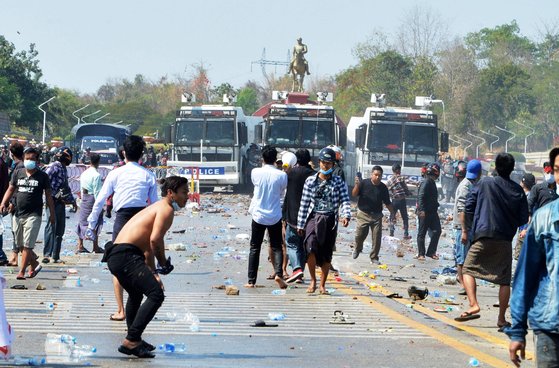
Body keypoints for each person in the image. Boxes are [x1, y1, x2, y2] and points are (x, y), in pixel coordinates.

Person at [105, 176, 187, 359]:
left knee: (136, 293)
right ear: (170, 193)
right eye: (184, 192)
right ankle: (131, 340)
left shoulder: (157, 207)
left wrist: (154, 272)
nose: (187, 196)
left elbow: (148, 247)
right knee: (156, 294)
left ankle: (135, 339)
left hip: (118, 255)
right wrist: (164, 263)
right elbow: (155, 240)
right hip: (125, 255)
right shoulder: (166, 210)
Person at [88, 135, 158, 322]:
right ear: (142, 154)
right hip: (142, 218)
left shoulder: (115, 173)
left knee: (118, 265)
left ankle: (121, 310)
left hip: (123, 219)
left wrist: (92, 222)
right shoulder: (148, 175)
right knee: (143, 261)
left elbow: (101, 199)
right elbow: (155, 205)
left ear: (124, 153)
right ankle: (141, 304)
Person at [456, 153, 529, 329]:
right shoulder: (517, 190)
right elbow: (522, 219)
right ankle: (501, 319)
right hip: (504, 240)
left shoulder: (484, 183)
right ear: (512, 170)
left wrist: (469, 228)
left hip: (482, 236)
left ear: (495, 167)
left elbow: (468, 207)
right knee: (504, 281)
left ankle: (473, 304)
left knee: (467, 269)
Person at [506, 147, 559, 368]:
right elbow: (525, 276)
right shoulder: (545, 218)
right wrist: (517, 330)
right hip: (551, 326)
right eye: (557, 170)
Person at [297, 147, 351, 294]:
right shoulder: (310, 181)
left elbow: (345, 200)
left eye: (328, 163)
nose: (325, 166)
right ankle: (313, 281)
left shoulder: (338, 182)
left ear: (333, 165)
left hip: (330, 219)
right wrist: (301, 224)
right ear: (319, 163)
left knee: (326, 253)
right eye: (323, 163)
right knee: (310, 247)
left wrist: (346, 215)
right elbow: (304, 203)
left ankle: (322, 285)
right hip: (313, 217)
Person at [0, 147, 55, 280]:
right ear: (23, 159)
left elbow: (48, 196)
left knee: (28, 244)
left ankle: (22, 271)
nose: (29, 161)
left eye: (32, 159)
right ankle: (35, 263)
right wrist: (3, 203)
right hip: (18, 213)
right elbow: (11, 189)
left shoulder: (43, 176)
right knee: (19, 244)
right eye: (27, 159)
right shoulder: (18, 173)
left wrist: (52, 214)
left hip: (34, 214)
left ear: (37, 161)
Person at [245, 146, 288, 289]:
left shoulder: (255, 172)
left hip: (258, 215)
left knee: (254, 247)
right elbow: (282, 193)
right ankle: (278, 274)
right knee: (277, 246)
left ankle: (251, 281)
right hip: (275, 214)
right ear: (276, 159)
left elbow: (256, 186)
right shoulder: (282, 175)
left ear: (262, 158)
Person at [282, 149, 315, 283]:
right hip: (309, 217)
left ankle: (296, 269)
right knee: (302, 246)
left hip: (293, 216)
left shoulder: (290, 174)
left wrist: (284, 215)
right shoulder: (314, 175)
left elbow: (286, 196)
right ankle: (299, 274)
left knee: (291, 243)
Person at [352, 165, 394, 264]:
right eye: (375, 175)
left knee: (377, 238)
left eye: (379, 175)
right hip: (363, 214)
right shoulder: (363, 183)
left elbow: (387, 202)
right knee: (359, 235)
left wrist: (393, 213)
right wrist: (357, 185)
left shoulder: (383, 188)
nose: (377, 177)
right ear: (372, 174)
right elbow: (354, 194)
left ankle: (374, 257)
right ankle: (358, 249)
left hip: (377, 215)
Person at [43, 146, 77, 264]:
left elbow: (65, 187)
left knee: (59, 230)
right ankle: (47, 254)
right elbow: (45, 182)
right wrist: (50, 198)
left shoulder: (62, 168)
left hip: (60, 203)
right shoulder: (53, 167)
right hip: (52, 201)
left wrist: (72, 201)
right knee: (51, 227)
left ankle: (55, 256)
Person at [453, 160, 481, 295]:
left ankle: (467, 283)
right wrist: (464, 231)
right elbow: (462, 209)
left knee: (468, 257)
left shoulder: (472, 184)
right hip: (461, 227)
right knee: (462, 258)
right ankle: (463, 284)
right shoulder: (466, 186)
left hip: (468, 226)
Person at [76, 153, 104, 254]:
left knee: (82, 221)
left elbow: (81, 188)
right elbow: (97, 192)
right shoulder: (97, 175)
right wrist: (100, 205)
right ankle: (95, 247)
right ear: (98, 162)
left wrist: (82, 199)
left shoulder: (84, 173)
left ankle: (80, 245)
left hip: (85, 198)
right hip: (92, 198)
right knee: (94, 221)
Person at [415, 163, 442, 260]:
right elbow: (420, 197)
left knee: (437, 231)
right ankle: (421, 254)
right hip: (425, 212)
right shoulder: (426, 182)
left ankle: (431, 252)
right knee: (422, 233)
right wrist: (421, 210)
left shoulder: (431, 182)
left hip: (432, 212)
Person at [6, 143, 24, 267]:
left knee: (16, 231)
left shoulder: (18, 168)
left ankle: (20, 257)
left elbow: (16, 188)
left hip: (17, 204)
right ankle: (15, 257)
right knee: (16, 231)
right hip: (18, 203)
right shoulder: (17, 166)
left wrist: (11, 203)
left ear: (12, 154)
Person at [513, 173, 535, 260]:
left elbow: (529, 214)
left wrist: (525, 229)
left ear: (523, 182)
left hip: (524, 230)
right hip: (525, 229)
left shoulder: (528, 197)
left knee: (519, 257)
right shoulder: (530, 195)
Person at [386, 163, 411, 239]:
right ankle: (406, 234)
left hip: (394, 200)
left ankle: (391, 232)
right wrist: (408, 193)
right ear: (397, 170)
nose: (400, 171)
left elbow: (387, 189)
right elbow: (405, 187)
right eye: (399, 169)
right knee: (405, 218)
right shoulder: (401, 178)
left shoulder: (390, 180)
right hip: (402, 201)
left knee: (392, 216)